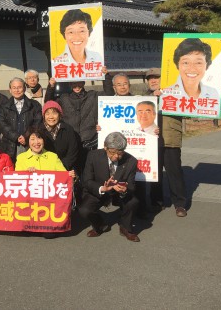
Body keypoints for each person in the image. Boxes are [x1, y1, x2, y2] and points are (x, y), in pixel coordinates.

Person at [78, 132, 141, 242]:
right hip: (100, 190)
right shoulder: (93, 156)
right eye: (112, 152)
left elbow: (131, 186)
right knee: (84, 210)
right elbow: (87, 181)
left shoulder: (131, 161)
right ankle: (100, 225)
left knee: (133, 201)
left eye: (120, 153)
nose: (116, 156)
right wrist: (102, 188)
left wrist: (125, 190)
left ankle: (125, 228)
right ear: (105, 147)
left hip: (118, 193)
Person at [144, 68, 188, 217]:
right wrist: (154, 98)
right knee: (155, 174)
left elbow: (197, 102)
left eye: (157, 77)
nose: (153, 80)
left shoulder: (177, 93)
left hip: (170, 139)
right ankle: (156, 202)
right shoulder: (143, 98)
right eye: (150, 78)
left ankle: (180, 204)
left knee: (174, 172)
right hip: (151, 141)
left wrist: (216, 94)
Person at [45, 78, 99, 168]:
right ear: (70, 84)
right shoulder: (64, 97)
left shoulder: (92, 95)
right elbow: (49, 103)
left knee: (89, 169)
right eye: (74, 84)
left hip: (89, 140)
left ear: (83, 82)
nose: (77, 86)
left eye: (79, 83)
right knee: (73, 170)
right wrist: (51, 86)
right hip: (71, 139)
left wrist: (106, 76)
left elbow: (108, 94)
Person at [0, 78, 42, 163]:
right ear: (10, 90)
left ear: (24, 89)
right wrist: (16, 137)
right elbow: (2, 124)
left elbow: (37, 122)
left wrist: (26, 136)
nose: (17, 90)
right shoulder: (4, 106)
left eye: (19, 87)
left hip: (29, 143)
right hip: (9, 144)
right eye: (14, 88)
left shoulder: (34, 105)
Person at [39, 101, 80, 172]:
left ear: (60, 115)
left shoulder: (68, 129)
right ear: (44, 116)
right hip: (44, 170)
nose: (51, 117)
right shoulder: (39, 130)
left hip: (65, 168)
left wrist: (60, 167)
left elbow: (72, 152)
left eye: (54, 113)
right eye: (47, 113)